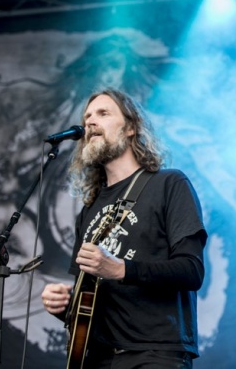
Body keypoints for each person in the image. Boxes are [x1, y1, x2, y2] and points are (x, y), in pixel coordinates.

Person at [41, 89, 207, 368]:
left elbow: (192, 270)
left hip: (155, 354)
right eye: (87, 116)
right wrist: (63, 306)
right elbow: (87, 306)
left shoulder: (169, 184)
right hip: (97, 357)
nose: (91, 122)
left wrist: (120, 269)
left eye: (103, 113)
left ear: (131, 127)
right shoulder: (89, 210)